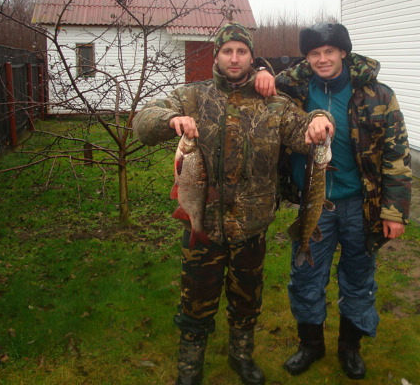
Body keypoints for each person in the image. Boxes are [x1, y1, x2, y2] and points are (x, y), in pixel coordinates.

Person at [133, 22, 334, 385]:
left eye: (242, 51)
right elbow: (143, 124)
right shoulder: (191, 97)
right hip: (203, 224)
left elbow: (306, 130)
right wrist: (170, 118)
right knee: (195, 302)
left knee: (246, 302)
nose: (235, 58)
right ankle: (189, 368)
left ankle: (241, 357)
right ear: (216, 56)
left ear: (252, 57)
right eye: (228, 51)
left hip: (251, 228)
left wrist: (321, 120)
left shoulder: (274, 104)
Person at [254, 22, 411, 380]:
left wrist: (395, 211)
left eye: (329, 51)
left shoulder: (378, 95)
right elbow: (241, 79)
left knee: (358, 277)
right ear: (306, 58)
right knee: (305, 275)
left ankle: (350, 348)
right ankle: (310, 344)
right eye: (314, 53)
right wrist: (261, 70)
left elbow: (397, 154)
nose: (322, 59)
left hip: (360, 205)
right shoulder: (290, 90)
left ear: (343, 52)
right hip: (313, 205)